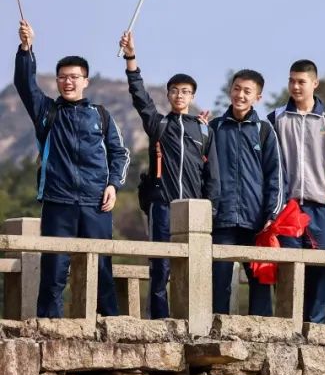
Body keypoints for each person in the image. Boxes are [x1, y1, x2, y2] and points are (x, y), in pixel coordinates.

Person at [15, 19, 129, 317]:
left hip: (96, 204)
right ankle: (48, 328)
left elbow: (120, 153)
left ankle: (109, 327)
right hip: (58, 201)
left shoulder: (101, 116)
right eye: (63, 77)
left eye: (74, 77)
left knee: (102, 268)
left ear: (85, 81)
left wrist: (113, 185)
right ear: (57, 81)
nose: (68, 82)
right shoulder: (47, 112)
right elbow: (25, 85)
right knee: (54, 270)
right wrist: (26, 49)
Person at [119, 31, 219, 319]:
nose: (179, 95)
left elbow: (212, 174)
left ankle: (192, 320)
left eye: (185, 91)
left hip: (193, 208)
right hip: (162, 205)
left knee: (193, 267)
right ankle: (160, 322)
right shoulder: (158, 123)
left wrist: (210, 207)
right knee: (160, 265)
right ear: (168, 94)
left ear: (193, 96)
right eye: (175, 90)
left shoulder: (203, 129)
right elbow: (139, 96)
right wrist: (130, 57)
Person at [268, 59, 325, 324]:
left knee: (319, 270)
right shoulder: (276, 118)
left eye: (301, 82)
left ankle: (316, 326)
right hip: (287, 207)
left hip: (321, 207)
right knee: (287, 269)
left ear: (314, 83)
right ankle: (287, 323)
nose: (295, 87)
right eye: (291, 81)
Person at [208, 69, 283, 316]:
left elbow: (276, 175)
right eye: (237, 89)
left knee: (260, 281)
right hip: (222, 219)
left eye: (247, 91)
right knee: (218, 281)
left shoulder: (264, 130)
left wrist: (271, 213)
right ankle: (215, 330)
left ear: (257, 97)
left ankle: (262, 334)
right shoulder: (214, 128)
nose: (240, 95)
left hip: (257, 221)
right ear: (230, 90)